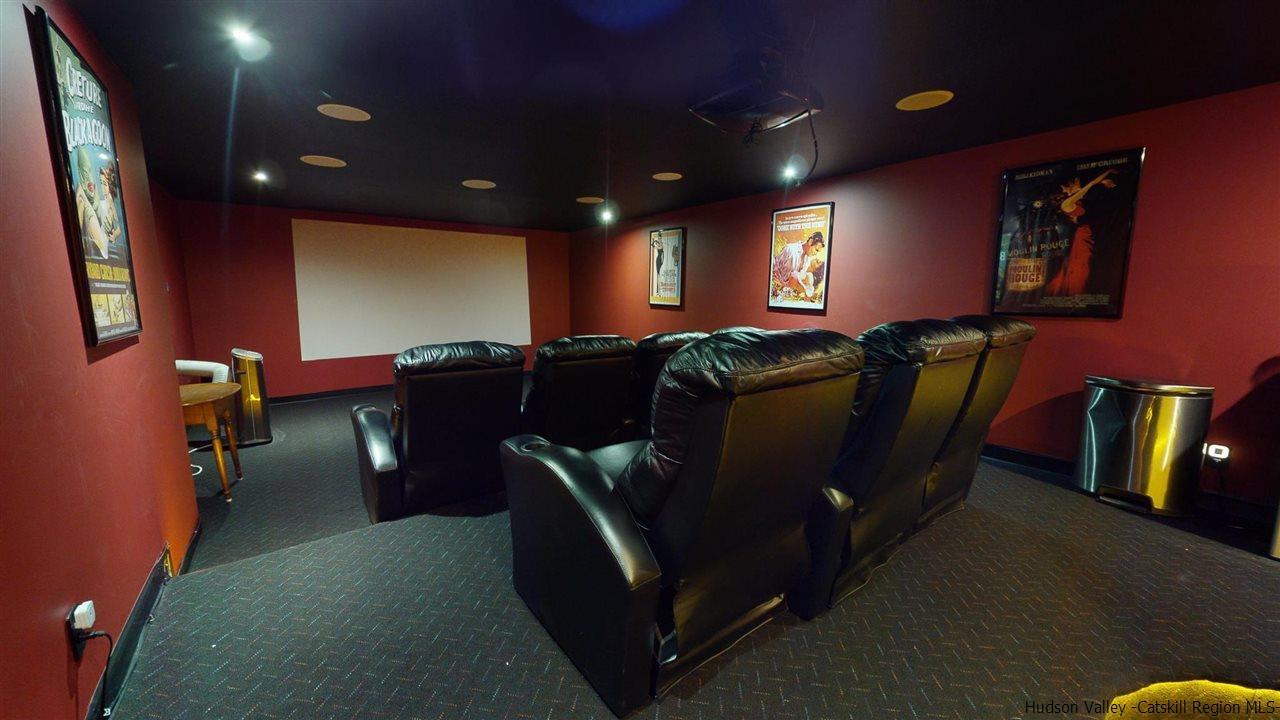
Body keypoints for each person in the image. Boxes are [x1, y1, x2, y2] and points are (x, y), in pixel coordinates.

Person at [771, 231, 825, 301]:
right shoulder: (790, 249)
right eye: (816, 249)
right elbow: (774, 269)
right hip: (776, 288)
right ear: (810, 242)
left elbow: (797, 278)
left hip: (787, 292)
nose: (815, 253)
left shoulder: (808, 259)